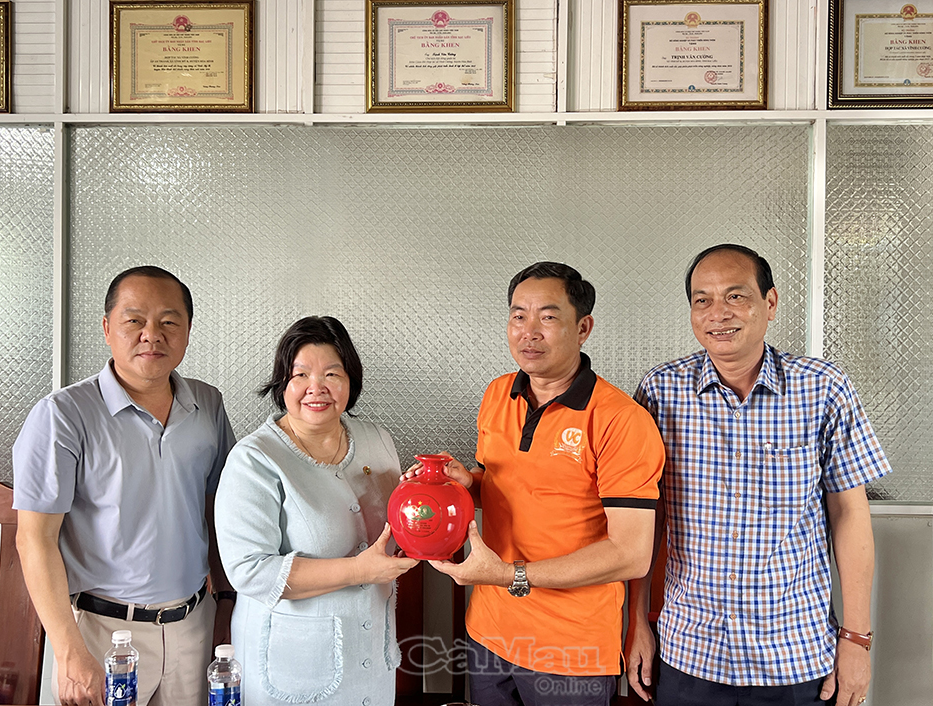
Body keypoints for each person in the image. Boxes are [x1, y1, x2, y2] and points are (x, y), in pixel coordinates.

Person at [627, 244, 892, 706]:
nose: (718, 313)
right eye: (702, 300)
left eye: (736, 296)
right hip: (689, 651)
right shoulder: (660, 391)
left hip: (795, 654)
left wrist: (856, 639)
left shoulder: (822, 388)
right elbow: (646, 520)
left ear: (770, 303)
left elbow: (850, 515)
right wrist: (635, 622)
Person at [422, 262, 665, 706]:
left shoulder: (620, 420)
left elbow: (630, 553)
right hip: (489, 632)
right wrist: (466, 483)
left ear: (583, 328)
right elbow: (509, 488)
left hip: (571, 648)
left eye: (548, 317)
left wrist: (508, 575)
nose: (529, 331)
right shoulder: (498, 394)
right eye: (518, 316)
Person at [13, 266, 236, 706]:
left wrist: (227, 601)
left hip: (195, 624)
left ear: (188, 331)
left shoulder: (208, 403)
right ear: (107, 328)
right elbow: (34, 539)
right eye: (134, 320)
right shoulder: (63, 415)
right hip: (104, 635)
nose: (152, 335)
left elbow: (218, 506)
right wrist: (69, 651)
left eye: (169, 321)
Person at [214, 316, 418, 706]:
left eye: (331, 374)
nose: (316, 387)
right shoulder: (254, 459)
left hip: (370, 659)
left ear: (350, 380)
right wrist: (359, 570)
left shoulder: (377, 440)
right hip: (291, 671)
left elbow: (397, 525)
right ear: (282, 383)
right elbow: (249, 571)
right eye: (301, 374)